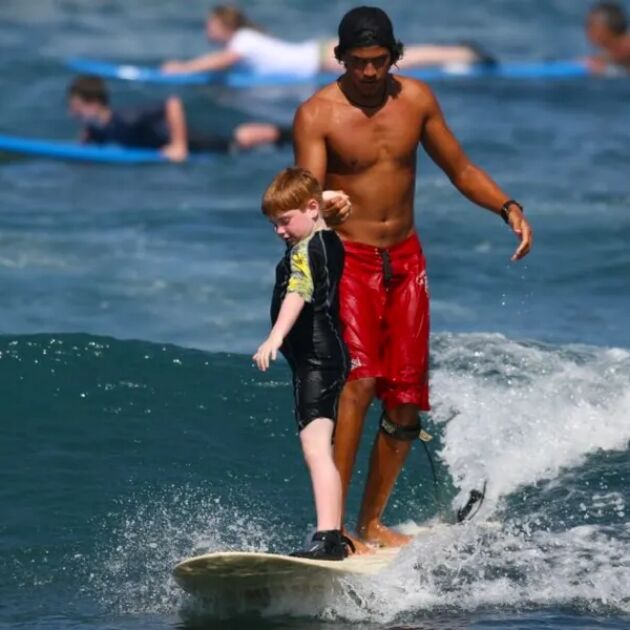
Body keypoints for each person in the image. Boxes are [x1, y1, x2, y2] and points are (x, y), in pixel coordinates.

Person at [293, 6, 533, 552]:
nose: (370, 73)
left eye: (379, 61)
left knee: (403, 399)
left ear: (393, 56)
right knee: (356, 385)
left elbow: (461, 169)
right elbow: (304, 193)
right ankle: (333, 529)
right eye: (358, 62)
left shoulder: (417, 101)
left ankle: (371, 523)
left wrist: (507, 207)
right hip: (347, 261)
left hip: (406, 262)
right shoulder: (317, 115)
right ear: (340, 58)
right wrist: (321, 205)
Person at [253, 167, 354, 560]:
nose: (279, 230)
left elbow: (298, 291)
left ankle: (330, 537)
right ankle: (330, 533)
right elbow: (317, 208)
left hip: (318, 357)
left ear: (310, 209)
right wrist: (319, 197)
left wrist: (275, 337)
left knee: (316, 449)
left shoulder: (308, 249)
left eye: (283, 221)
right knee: (317, 446)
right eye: (273, 223)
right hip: (319, 357)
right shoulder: (323, 235)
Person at [162, 5, 491, 77]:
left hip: (319, 57)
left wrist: (182, 68)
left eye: (211, 26)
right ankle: (459, 51)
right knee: (405, 55)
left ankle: (463, 53)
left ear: (224, 26)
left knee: (404, 57)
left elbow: (223, 61)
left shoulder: (243, 41)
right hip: (317, 53)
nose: (207, 31)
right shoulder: (247, 38)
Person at [67, 75, 292, 162]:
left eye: (76, 108)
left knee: (239, 140)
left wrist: (178, 145)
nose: (72, 113)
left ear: (93, 104)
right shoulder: (102, 128)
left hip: (200, 141)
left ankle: (296, 132)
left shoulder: (126, 118)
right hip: (192, 145)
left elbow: (172, 103)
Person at [585, 2, 630, 72]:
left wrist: (607, 69)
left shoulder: (626, 47)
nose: (588, 31)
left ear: (606, 28)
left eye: (592, 25)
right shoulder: (617, 51)